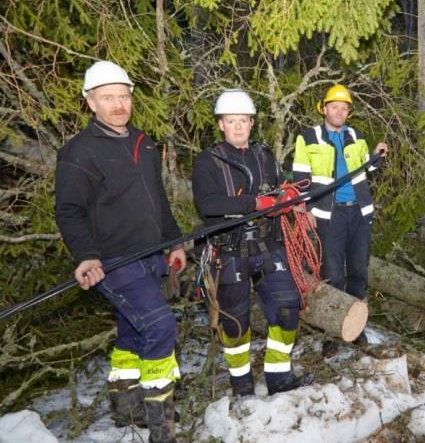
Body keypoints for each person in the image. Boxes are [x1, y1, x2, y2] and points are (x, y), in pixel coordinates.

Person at [55, 61, 186, 443]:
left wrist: (174, 242)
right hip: (112, 261)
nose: (118, 105)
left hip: (150, 256)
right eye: (108, 97)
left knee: (133, 329)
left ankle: (126, 408)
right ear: (90, 102)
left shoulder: (143, 145)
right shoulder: (78, 152)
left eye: (124, 96)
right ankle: (162, 426)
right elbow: (68, 210)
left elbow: (157, 200)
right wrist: (86, 256)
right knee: (160, 326)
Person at [192, 89, 308, 396]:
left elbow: (279, 186)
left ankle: (279, 376)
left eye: (243, 120)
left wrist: (287, 196)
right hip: (229, 249)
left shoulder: (264, 155)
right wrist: (254, 204)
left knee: (287, 307)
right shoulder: (208, 161)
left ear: (252, 122)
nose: (238, 127)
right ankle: (241, 383)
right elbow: (208, 205)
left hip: (268, 243)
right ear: (221, 124)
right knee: (234, 321)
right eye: (231, 121)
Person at [292, 84, 388, 357]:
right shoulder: (308, 137)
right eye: (334, 106)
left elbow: (362, 169)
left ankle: (355, 327)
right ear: (323, 109)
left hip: (358, 212)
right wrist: (305, 210)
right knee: (332, 273)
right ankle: (331, 331)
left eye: (344, 108)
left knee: (358, 271)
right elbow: (301, 178)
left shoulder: (356, 135)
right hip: (328, 215)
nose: (339, 111)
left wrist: (375, 158)